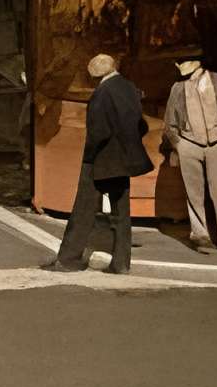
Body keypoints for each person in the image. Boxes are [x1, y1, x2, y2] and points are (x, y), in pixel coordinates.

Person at [49, 52, 151, 273]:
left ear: (95, 75)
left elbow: (98, 132)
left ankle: (69, 259)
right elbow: (141, 125)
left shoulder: (102, 93)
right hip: (122, 160)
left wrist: (91, 153)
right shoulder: (129, 88)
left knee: (83, 210)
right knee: (121, 213)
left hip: (100, 159)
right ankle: (121, 263)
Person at [165, 51, 217, 253]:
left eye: (183, 60)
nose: (179, 64)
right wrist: (180, 144)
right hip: (190, 143)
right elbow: (170, 121)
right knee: (194, 194)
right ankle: (201, 236)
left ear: (197, 63)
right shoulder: (178, 87)